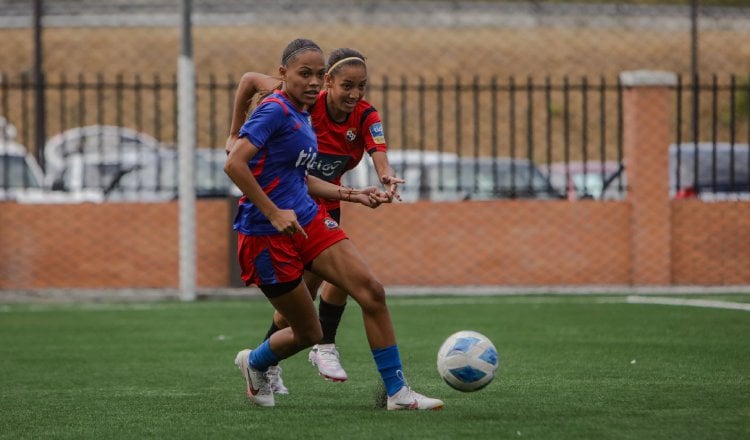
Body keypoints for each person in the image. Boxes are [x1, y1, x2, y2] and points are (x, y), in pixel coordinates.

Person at [225, 37, 443, 410]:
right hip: (266, 234)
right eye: (304, 74)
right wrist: (274, 212)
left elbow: (298, 177)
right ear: (283, 74)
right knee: (308, 332)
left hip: (308, 218)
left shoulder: (304, 110)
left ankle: (398, 393)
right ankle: (256, 363)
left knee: (371, 290)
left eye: (318, 74)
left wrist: (352, 194)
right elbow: (234, 164)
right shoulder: (275, 110)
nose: (312, 81)